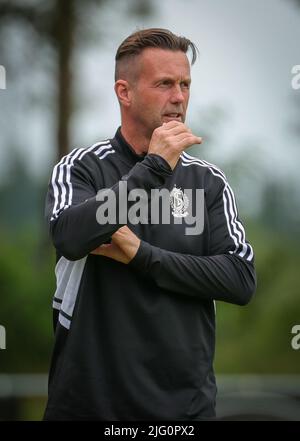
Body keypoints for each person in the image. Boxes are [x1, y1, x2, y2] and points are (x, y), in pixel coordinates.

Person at [44, 28, 256, 421]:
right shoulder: (82, 169)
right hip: (89, 407)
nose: (179, 97)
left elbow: (240, 279)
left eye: (185, 84)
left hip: (184, 413)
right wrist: (154, 167)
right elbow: (71, 236)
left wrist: (142, 255)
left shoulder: (207, 182)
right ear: (125, 92)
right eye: (164, 84)